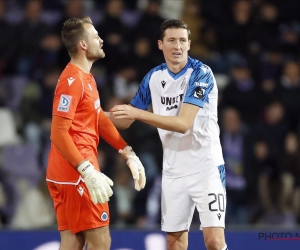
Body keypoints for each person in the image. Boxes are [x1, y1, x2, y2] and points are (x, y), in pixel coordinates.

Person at [109, 19, 228, 250]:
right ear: (160, 44)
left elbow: (183, 124)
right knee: (174, 243)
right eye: (171, 40)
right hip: (173, 171)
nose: (178, 46)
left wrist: (137, 113)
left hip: (207, 168)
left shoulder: (201, 73)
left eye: (182, 40)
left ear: (190, 44)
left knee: (214, 242)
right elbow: (126, 119)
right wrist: (92, 115)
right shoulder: (153, 77)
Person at [46, 16, 146, 250]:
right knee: (101, 243)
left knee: (73, 242)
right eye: (95, 36)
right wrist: (87, 170)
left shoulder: (86, 78)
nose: (101, 40)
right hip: (76, 172)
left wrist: (127, 152)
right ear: (82, 45)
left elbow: (98, 117)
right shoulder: (72, 81)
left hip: (68, 171)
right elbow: (58, 133)